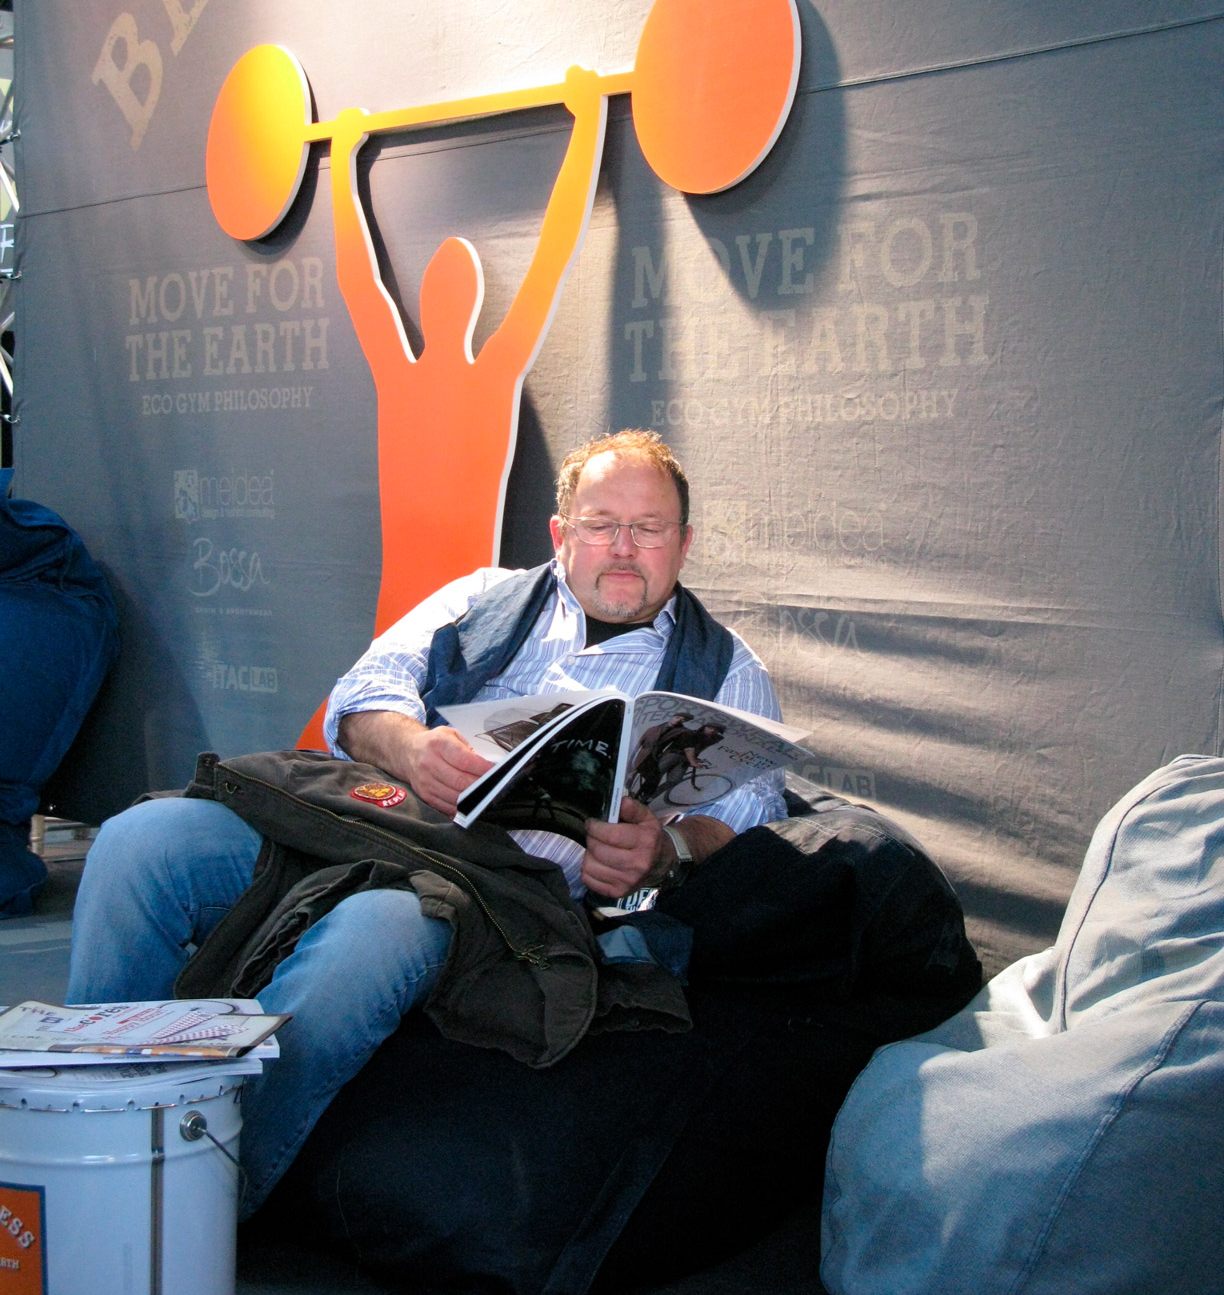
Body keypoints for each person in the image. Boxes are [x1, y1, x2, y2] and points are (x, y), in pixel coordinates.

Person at [67, 430, 784, 1216]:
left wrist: (665, 849)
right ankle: (83, 1133)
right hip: (371, 824)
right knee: (141, 843)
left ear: (684, 542)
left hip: (500, 898)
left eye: (648, 528)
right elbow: (360, 700)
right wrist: (412, 748)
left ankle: (200, 1203)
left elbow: (749, 820)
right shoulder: (483, 599)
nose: (622, 548)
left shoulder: (725, 670)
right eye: (600, 524)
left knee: (374, 932)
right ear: (560, 533)